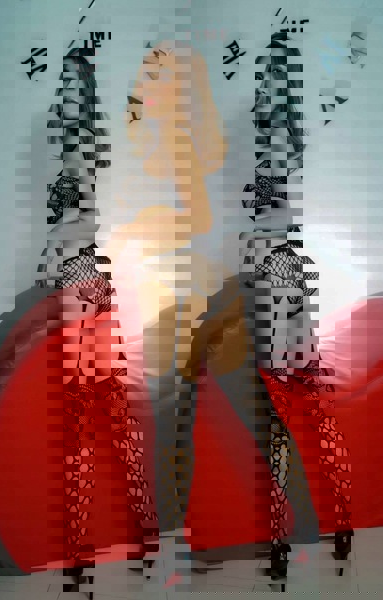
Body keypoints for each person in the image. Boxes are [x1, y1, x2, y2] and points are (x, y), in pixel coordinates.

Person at [241, 28, 367, 582]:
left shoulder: (277, 161)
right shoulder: (282, 157)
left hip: (284, 301)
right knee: (304, 429)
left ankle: (294, 538)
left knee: (290, 431)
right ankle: (320, 531)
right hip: (288, 300)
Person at [37, 46, 159, 593]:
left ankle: (87, 551)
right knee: (100, 424)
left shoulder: (76, 171)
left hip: (82, 295)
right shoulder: (78, 170)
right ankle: (118, 542)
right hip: (88, 294)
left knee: (91, 425)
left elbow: (64, 241)